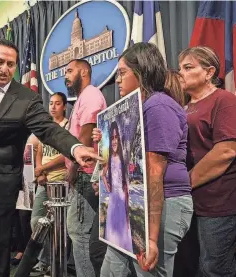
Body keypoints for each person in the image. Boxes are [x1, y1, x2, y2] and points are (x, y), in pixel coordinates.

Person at [0, 39, 100, 277]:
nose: (4, 68)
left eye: (11, 64)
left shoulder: (26, 98)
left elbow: (48, 130)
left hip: (1, 182)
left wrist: (75, 148)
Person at [92, 42, 193, 277]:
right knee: (111, 268)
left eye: (122, 72)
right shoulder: (140, 107)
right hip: (135, 203)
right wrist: (105, 138)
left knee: (148, 270)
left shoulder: (158, 105)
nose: (117, 80)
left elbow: (154, 172)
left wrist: (151, 237)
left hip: (164, 202)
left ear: (142, 71)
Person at [178, 46, 236, 277]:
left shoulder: (224, 100)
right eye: (180, 68)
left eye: (188, 67)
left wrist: (185, 182)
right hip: (189, 201)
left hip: (219, 201)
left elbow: (226, 151)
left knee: (214, 268)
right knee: (193, 265)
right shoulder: (184, 107)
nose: (181, 73)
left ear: (209, 72)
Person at [64, 59, 107, 277]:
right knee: (81, 232)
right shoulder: (82, 98)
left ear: (84, 71)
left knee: (79, 231)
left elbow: (86, 137)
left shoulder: (90, 95)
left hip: (86, 173)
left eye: (70, 71)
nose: (66, 76)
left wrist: (73, 166)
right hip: (83, 174)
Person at [30, 92, 69, 276]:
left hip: (61, 182)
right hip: (43, 182)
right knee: (36, 221)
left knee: (59, 227)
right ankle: (45, 259)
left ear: (64, 106)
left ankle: (53, 263)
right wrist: (39, 171)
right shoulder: (45, 127)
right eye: (51, 103)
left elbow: (66, 155)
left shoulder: (67, 126)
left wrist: (44, 167)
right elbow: (39, 149)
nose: (53, 107)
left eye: (57, 103)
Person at [101, 121, 132, 252]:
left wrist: (127, 208)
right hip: (113, 198)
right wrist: (108, 188)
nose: (114, 141)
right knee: (112, 232)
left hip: (121, 197)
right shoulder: (109, 159)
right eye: (112, 137)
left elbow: (126, 185)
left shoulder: (123, 158)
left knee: (122, 231)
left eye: (116, 137)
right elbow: (103, 175)